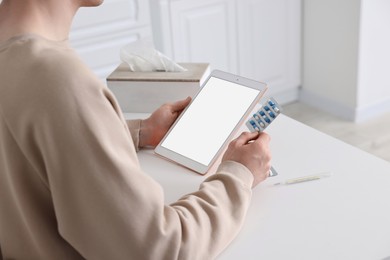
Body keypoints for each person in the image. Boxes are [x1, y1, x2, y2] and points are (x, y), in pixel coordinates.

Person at [0, 0, 271, 259]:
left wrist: (139, 131)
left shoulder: (16, 58)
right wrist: (238, 174)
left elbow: (26, 145)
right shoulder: (58, 79)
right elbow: (158, 249)